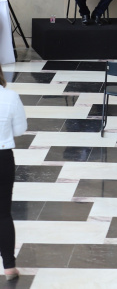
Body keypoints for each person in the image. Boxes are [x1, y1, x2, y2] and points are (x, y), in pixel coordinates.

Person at [0, 65, 26, 281]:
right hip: (2, 158)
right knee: (3, 213)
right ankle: (9, 266)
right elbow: (19, 130)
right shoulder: (10, 96)